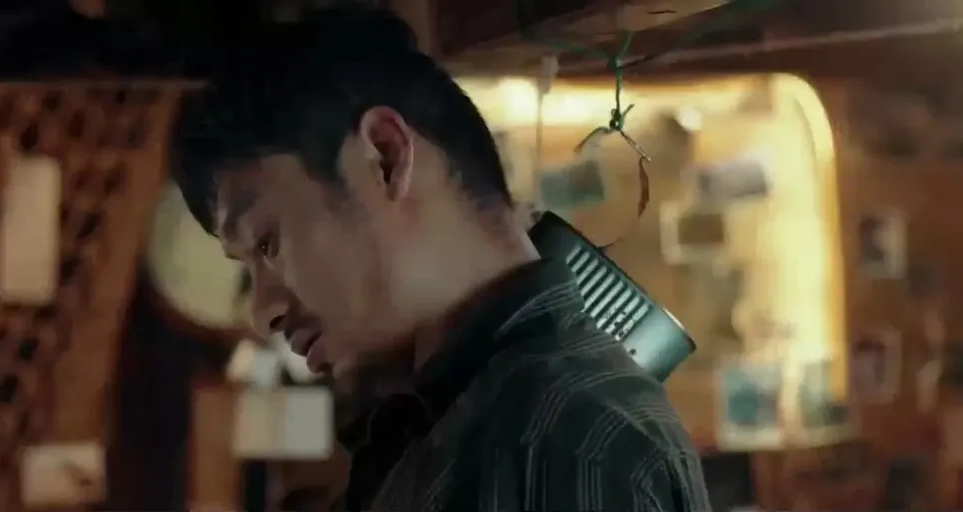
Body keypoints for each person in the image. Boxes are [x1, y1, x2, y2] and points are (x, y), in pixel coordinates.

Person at [169, 7, 710, 511]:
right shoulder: (448, 426)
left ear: (384, 156)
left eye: (266, 243)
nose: (261, 313)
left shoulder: (566, 441)